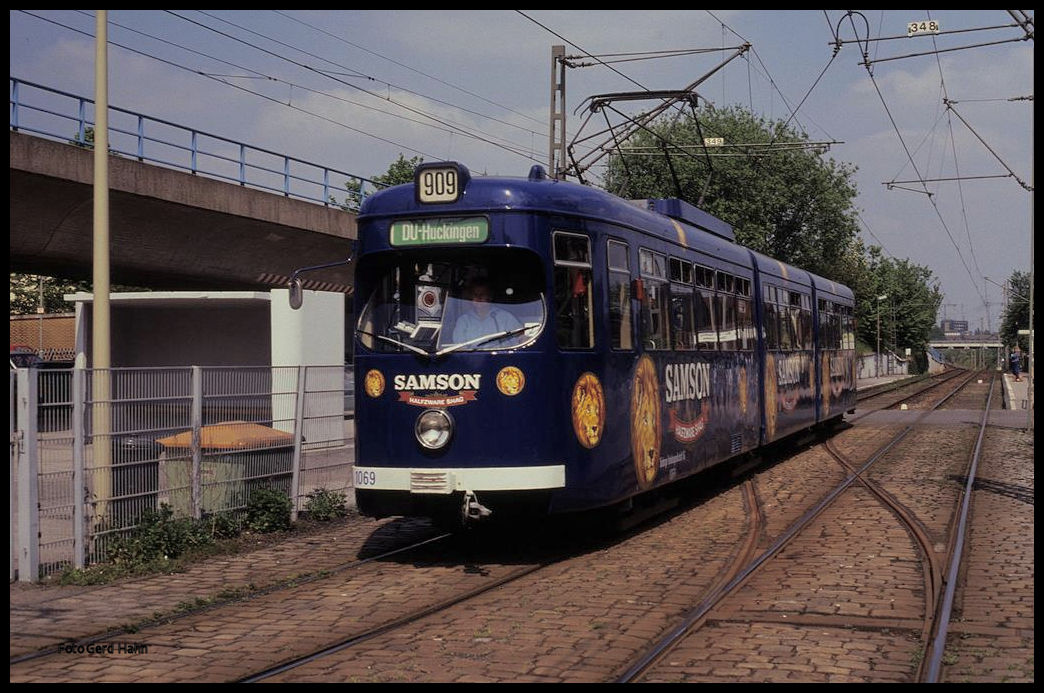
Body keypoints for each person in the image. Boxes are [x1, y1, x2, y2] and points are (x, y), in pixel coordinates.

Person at [452, 279, 522, 346]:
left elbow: (520, 337)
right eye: (475, 294)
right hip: (472, 358)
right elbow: (459, 345)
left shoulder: (505, 317)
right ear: (471, 297)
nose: (479, 297)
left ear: (490, 296)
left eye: (482, 294)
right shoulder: (464, 320)